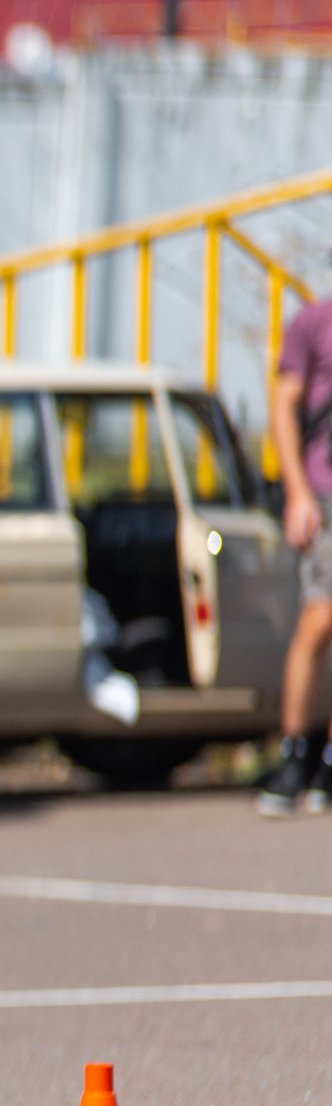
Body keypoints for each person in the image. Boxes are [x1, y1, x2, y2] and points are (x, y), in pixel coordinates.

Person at [257, 282, 332, 816]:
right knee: (320, 619)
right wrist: (297, 492)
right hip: (325, 492)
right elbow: (284, 405)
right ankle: (295, 751)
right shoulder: (313, 322)